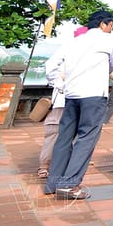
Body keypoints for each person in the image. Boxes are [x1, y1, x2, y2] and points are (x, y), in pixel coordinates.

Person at [44, 10, 113, 199]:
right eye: (111, 25)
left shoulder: (74, 42)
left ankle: (52, 183)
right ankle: (69, 184)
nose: (111, 29)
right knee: (86, 138)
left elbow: (50, 65)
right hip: (93, 95)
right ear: (104, 24)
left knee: (64, 138)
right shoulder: (109, 40)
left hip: (71, 95)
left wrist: (60, 85)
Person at [37, 26, 88, 179]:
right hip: (63, 100)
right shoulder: (70, 49)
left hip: (79, 99)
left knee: (74, 133)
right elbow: (50, 69)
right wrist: (63, 84)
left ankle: (67, 162)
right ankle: (44, 165)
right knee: (54, 132)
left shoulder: (86, 54)